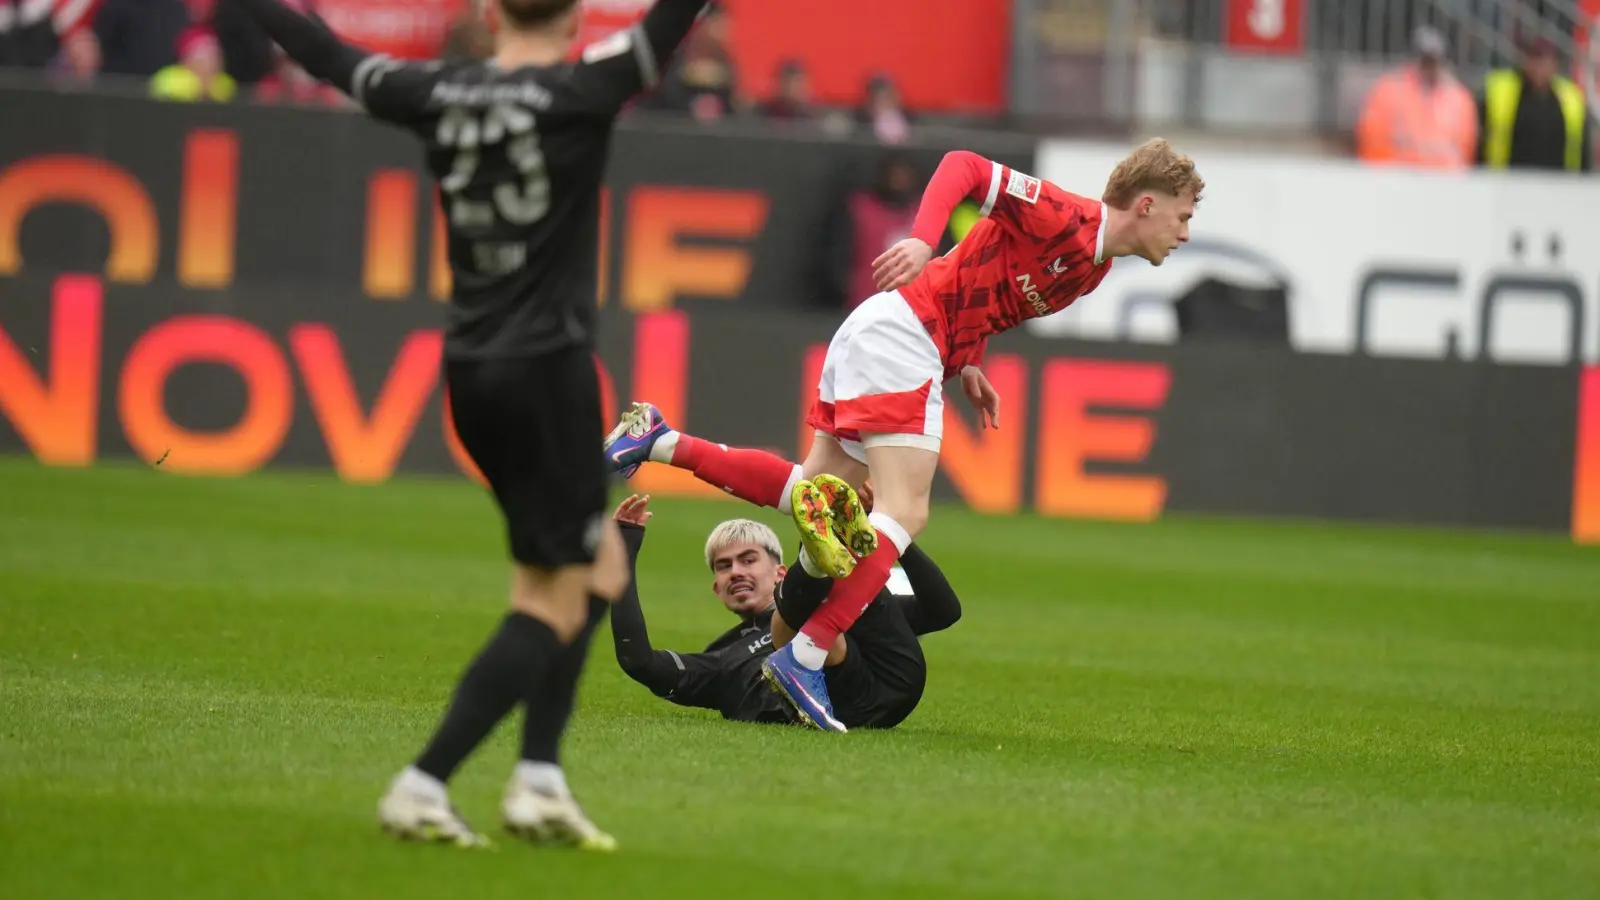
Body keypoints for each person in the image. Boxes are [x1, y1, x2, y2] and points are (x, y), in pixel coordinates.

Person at [228, 0, 715, 848]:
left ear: (490, 14)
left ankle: (539, 778)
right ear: (576, 20)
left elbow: (324, 50)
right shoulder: (587, 88)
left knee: (596, 566)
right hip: (549, 372)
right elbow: (673, 20)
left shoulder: (437, 91)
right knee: (552, 597)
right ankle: (424, 783)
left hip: (471, 371)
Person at [607, 139, 1203, 731]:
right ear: (1146, 205)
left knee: (814, 491)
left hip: (892, 331)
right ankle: (807, 655)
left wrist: (969, 360)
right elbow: (964, 166)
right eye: (1183, 215)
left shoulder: (1092, 269)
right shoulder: (1067, 218)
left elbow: (985, 280)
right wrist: (921, 239)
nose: (1184, 232)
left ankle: (659, 441)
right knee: (906, 511)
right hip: (905, 332)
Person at [608, 491, 961, 730]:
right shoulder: (720, 662)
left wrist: (893, 537)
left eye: (748, 560)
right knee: (796, 622)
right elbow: (639, 662)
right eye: (724, 566)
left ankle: (838, 545)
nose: (736, 572)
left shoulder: (838, 606)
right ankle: (816, 556)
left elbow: (943, 611)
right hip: (844, 705)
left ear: (779, 571)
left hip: (893, 679)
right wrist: (623, 550)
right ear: (716, 588)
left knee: (843, 586)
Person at [1355, 26, 1477, 170]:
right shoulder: (1389, 91)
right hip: (1397, 176)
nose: (1429, 68)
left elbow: (1466, 145)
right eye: (1425, 61)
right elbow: (1371, 138)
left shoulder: (1458, 98)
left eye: (1433, 61)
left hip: (1443, 180)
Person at [1478, 36, 1595, 173]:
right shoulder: (1500, 90)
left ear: (1555, 65)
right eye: (1535, 59)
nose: (1540, 67)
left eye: (1546, 60)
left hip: (1559, 185)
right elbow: (1482, 140)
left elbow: (1581, 147)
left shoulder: (1571, 97)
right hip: (1508, 183)